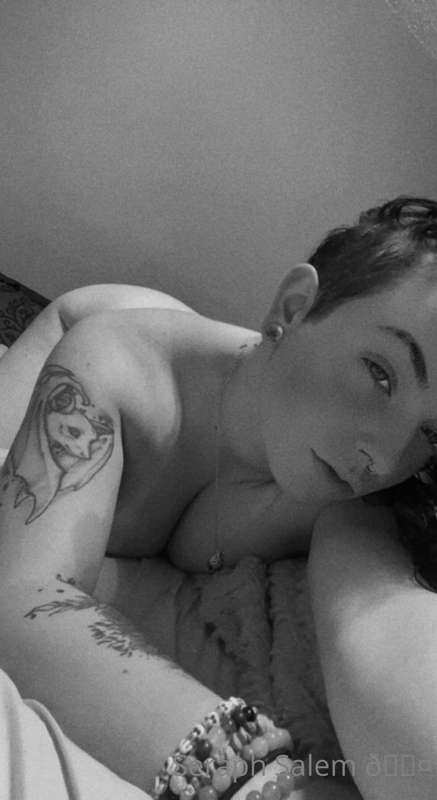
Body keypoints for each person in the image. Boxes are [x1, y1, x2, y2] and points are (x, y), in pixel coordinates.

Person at [0, 195, 436, 799]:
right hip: (101, 324)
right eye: (381, 374)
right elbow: (21, 599)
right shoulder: (115, 369)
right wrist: (256, 777)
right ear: (293, 307)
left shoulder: (354, 501)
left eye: (430, 434)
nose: (382, 459)